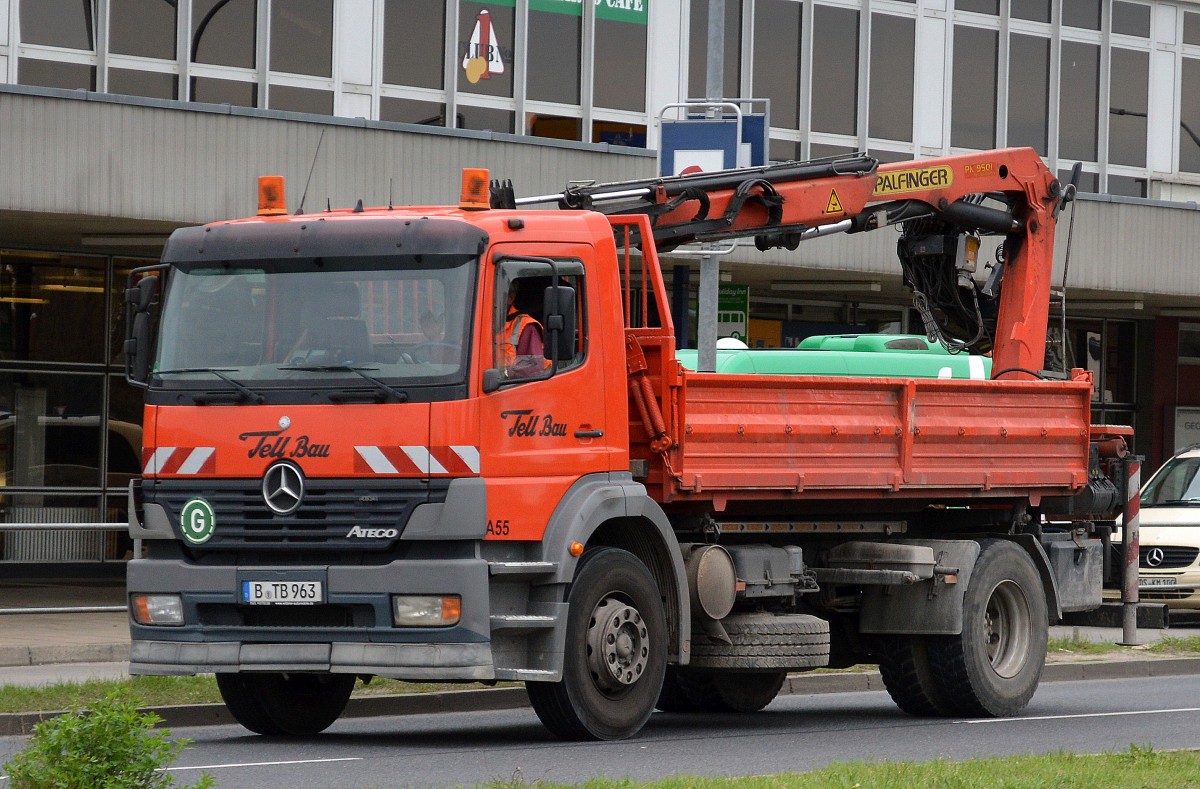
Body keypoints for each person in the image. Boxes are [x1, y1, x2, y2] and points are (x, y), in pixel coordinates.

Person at [498, 282, 546, 379]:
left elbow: (534, 368)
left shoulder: (526, 327)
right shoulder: (478, 325)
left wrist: (504, 374)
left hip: (508, 385)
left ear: (510, 297)